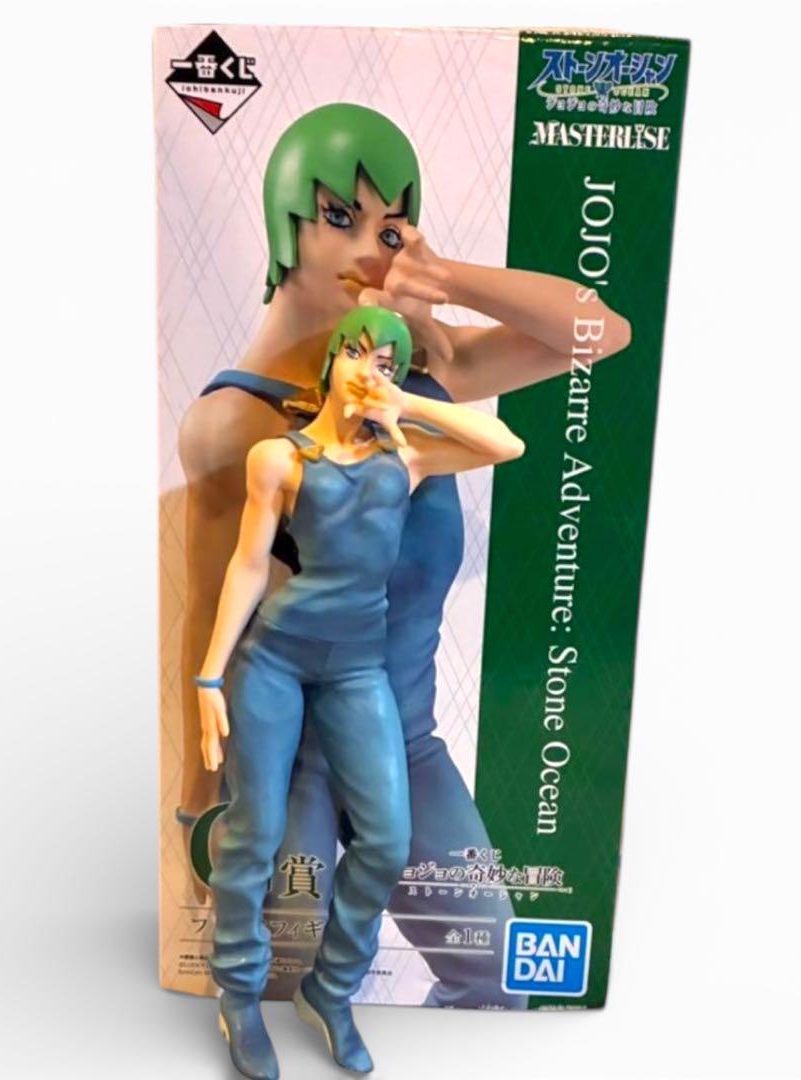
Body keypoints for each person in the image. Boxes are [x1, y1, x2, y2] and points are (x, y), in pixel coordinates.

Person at [177, 102, 631, 1008]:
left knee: (496, 975)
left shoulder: (425, 382)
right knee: (278, 986)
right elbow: (210, 602)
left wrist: (441, 277)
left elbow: (601, 332)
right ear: (284, 223)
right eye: (339, 216)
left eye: (389, 226)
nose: (369, 248)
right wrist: (199, 806)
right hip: (289, 757)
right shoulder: (238, 422)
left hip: (406, 745)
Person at [198, 307, 524, 1080]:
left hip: (357, 672)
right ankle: (238, 998)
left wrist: (402, 402)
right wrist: (209, 676)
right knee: (254, 838)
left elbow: (505, 444)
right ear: (330, 360)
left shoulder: (406, 460)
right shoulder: (280, 457)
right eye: (355, 352)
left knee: (385, 839)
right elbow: (249, 565)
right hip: (276, 662)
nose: (367, 369)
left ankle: (332, 992)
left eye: (385, 360)